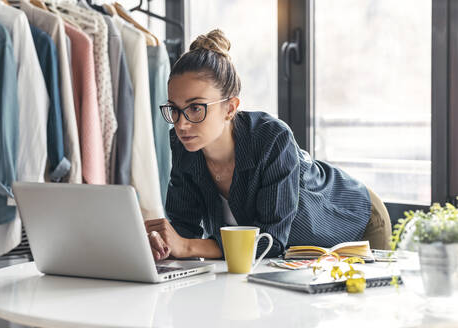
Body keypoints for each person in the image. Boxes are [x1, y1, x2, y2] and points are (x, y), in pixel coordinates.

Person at [145, 29, 392, 261]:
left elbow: (270, 241)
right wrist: (162, 243)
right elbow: (183, 228)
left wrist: (186, 246)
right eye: (175, 109)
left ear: (230, 108)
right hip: (293, 256)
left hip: (357, 221)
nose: (182, 124)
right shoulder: (184, 146)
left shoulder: (272, 138)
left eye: (195, 108)